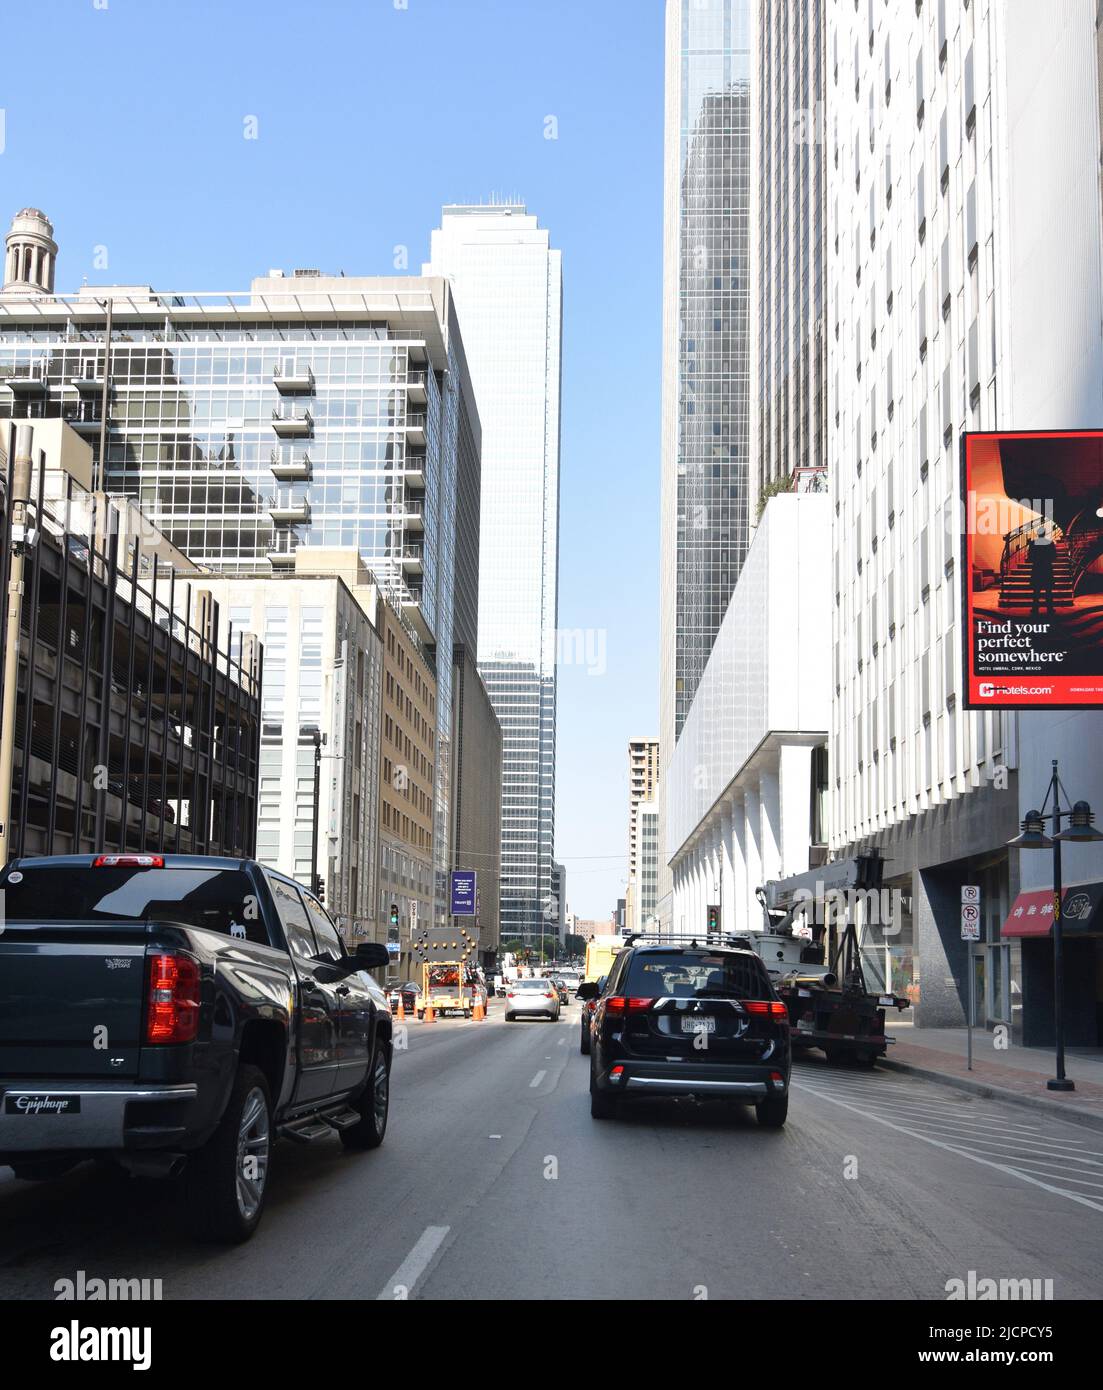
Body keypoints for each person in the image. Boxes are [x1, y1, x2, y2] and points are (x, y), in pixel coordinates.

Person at [1027, 524, 1056, 615]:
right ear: (1044, 533)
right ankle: (1050, 609)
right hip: (1047, 568)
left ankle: (1035, 609)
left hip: (1037, 568)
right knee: (1048, 591)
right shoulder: (1050, 543)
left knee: (1036, 591)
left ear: (1037, 534)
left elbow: (1030, 556)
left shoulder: (1032, 543)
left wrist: (1037, 560)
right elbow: (1053, 556)